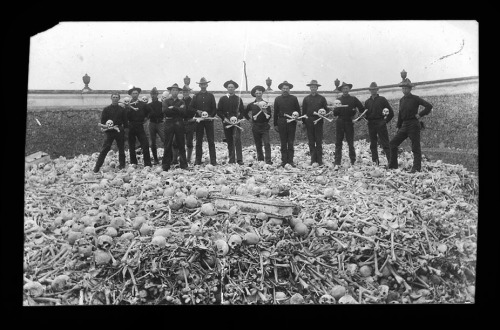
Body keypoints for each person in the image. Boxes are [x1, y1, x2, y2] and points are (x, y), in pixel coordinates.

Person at [389, 78, 433, 173]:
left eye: (406, 88)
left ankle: (416, 168)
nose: (404, 90)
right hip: (404, 125)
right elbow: (400, 114)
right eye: (403, 88)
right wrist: (398, 126)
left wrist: (420, 114)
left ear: (410, 89)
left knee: (415, 147)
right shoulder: (402, 100)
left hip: (413, 124)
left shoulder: (416, 98)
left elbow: (429, 106)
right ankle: (393, 166)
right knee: (392, 143)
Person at [333, 82, 364, 170]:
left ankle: (353, 161)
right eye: (343, 89)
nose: (345, 90)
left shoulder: (353, 99)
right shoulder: (338, 100)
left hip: (349, 122)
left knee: (350, 142)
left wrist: (358, 118)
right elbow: (335, 114)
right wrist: (336, 109)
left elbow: (362, 109)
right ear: (341, 90)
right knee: (338, 142)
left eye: (346, 88)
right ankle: (337, 162)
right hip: (340, 122)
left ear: (349, 89)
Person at [93, 93, 128, 172]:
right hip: (109, 131)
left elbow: (125, 122)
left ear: (119, 99)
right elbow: (103, 121)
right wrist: (106, 127)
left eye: (116, 97)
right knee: (105, 148)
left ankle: (122, 165)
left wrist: (125, 132)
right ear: (111, 98)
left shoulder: (122, 110)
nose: (115, 99)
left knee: (121, 148)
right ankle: (97, 166)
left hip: (119, 130)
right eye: (114, 97)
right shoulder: (106, 109)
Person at [162, 83, 191, 171]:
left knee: (181, 143)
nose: (175, 92)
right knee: (167, 144)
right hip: (169, 122)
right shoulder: (166, 101)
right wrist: (177, 110)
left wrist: (173, 108)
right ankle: (165, 165)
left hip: (179, 123)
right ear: (170, 91)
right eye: (173, 90)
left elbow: (183, 112)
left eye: (176, 90)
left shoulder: (181, 101)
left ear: (179, 92)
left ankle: (183, 164)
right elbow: (165, 111)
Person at [364, 82, 394, 166]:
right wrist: (363, 117)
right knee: (373, 144)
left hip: (381, 123)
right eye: (371, 89)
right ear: (369, 90)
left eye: (374, 89)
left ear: (377, 90)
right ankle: (375, 163)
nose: (373, 91)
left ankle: (391, 162)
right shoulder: (367, 102)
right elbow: (365, 115)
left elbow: (391, 113)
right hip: (371, 124)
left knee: (385, 143)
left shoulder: (382, 99)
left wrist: (385, 121)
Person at [189, 77, 218, 166]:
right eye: (201, 84)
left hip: (209, 121)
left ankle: (213, 161)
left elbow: (214, 108)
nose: (203, 86)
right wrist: (197, 111)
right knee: (198, 140)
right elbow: (190, 107)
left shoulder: (211, 96)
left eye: (204, 84)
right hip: (199, 121)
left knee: (211, 141)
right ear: (199, 85)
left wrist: (210, 116)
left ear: (207, 85)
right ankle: (198, 160)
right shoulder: (196, 96)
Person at [217, 80, 245, 165]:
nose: (230, 88)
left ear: (235, 88)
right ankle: (232, 159)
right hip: (227, 122)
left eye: (232, 87)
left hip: (236, 123)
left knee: (237, 139)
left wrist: (239, 119)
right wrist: (224, 118)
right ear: (226, 88)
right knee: (229, 140)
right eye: (229, 87)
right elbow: (219, 111)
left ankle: (239, 159)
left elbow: (242, 111)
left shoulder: (238, 99)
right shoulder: (223, 99)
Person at [243, 85, 273, 165]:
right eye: (257, 93)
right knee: (258, 144)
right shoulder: (252, 105)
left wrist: (265, 111)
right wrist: (250, 120)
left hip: (264, 126)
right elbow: (244, 113)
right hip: (255, 126)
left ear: (262, 93)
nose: (258, 94)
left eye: (260, 93)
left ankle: (268, 161)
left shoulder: (266, 104)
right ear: (254, 94)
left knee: (267, 143)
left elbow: (269, 116)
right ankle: (260, 160)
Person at [273, 81, 301, 167]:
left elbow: (298, 111)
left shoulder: (294, 98)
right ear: (281, 89)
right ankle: (284, 161)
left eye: (287, 88)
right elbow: (275, 113)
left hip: (292, 122)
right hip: (281, 122)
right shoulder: (277, 99)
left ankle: (291, 161)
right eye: (283, 88)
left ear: (289, 90)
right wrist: (275, 124)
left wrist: (298, 120)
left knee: (291, 142)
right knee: (283, 142)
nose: (285, 90)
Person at [302, 80, 329, 166]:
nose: (313, 88)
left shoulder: (322, 98)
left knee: (318, 140)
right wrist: (304, 122)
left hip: (318, 121)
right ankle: (313, 160)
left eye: (315, 87)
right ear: (310, 88)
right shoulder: (306, 99)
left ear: (317, 88)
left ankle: (319, 160)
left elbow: (326, 110)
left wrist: (324, 115)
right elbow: (304, 112)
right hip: (309, 121)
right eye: (312, 87)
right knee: (311, 141)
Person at [126, 86, 152, 167]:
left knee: (145, 144)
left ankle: (147, 163)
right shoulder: (128, 105)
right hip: (131, 125)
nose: (135, 95)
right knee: (131, 145)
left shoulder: (142, 104)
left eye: (136, 93)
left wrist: (146, 118)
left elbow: (150, 111)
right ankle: (133, 163)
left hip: (140, 125)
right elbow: (124, 115)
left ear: (138, 94)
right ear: (131, 94)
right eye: (133, 93)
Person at [146, 87, 165, 165]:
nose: (153, 95)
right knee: (152, 142)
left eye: (155, 94)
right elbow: (146, 115)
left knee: (165, 140)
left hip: (160, 123)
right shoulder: (148, 105)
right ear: (150, 95)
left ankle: (168, 157)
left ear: (157, 95)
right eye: (152, 94)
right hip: (152, 123)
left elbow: (165, 112)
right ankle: (155, 159)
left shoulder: (161, 104)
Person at [181, 85, 196, 164]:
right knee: (180, 141)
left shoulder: (193, 101)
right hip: (181, 123)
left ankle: (188, 159)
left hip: (190, 122)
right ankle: (181, 157)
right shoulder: (180, 101)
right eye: (184, 92)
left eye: (186, 92)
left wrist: (194, 118)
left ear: (189, 92)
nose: (185, 93)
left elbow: (196, 111)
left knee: (189, 141)